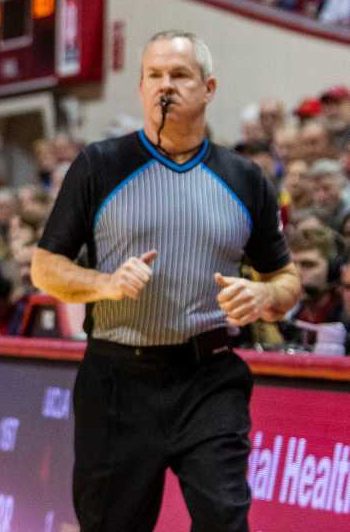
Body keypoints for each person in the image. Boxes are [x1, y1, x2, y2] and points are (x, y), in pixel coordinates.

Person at [31, 31, 301, 532]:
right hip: (117, 381)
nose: (165, 86)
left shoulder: (245, 179)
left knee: (225, 519)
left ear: (209, 87)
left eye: (178, 75)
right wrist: (104, 284)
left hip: (209, 378)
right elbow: (45, 266)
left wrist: (265, 294)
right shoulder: (99, 165)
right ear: (139, 88)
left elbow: (286, 278)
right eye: (153, 75)